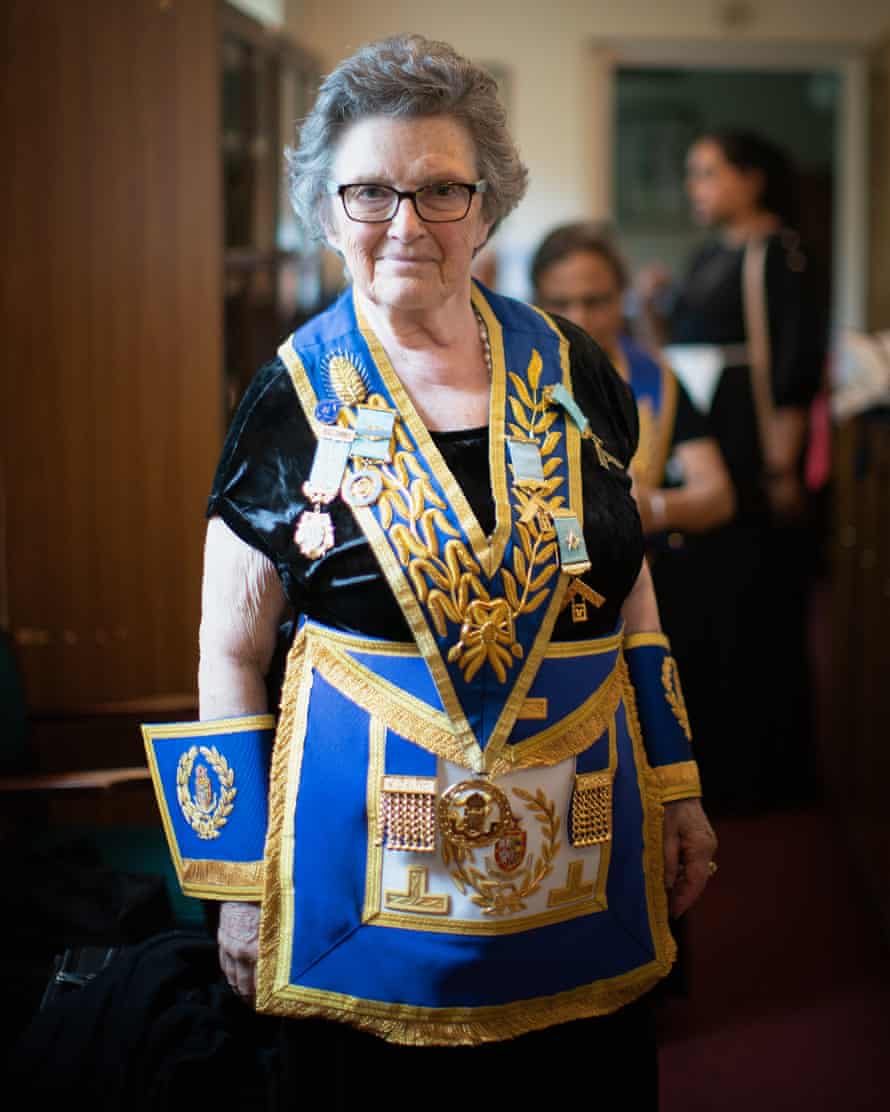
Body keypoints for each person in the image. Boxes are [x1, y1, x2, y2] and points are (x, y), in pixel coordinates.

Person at [11, 35, 717, 1110]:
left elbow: (629, 593)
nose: (406, 222)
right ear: (329, 211)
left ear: (485, 210)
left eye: (441, 191)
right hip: (363, 888)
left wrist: (676, 785)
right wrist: (240, 886)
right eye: (369, 191)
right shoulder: (288, 396)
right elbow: (227, 648)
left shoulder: (575, 367)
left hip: (584, 860)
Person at [636, 130, 827, 812]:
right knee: (718, 605)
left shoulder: (779, 253)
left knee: (761, 605)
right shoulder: (712, 251)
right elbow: (678, 346)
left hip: (753, 448)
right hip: (706, 438)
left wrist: (782, 464)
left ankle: (767, 774)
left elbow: (795, 364)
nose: (696, 187)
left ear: (751, 179)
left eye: (707, 173)